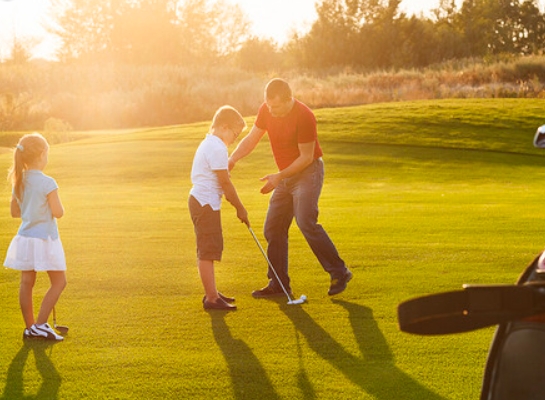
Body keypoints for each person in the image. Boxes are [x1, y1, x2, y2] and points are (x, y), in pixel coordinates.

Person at [229, 78, 352, 298]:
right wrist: (232, 159)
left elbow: (306, 158)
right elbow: (251, 138)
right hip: (285, 176)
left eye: (275, 106)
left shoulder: (304, 116)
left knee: (305, 220)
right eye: (268, 105)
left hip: (308, 172)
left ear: (288, 100)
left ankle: (339, 271)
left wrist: (279, 177)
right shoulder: (266, 111)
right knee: (273, 228)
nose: (271, 110)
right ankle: (278, 284)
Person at [4, 133, 67, 341]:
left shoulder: (19, 181)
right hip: (45, 239)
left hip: (26, 238)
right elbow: (58, 212)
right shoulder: (48, 182)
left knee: (26, 282)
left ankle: (30, 327)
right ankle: (40, 325)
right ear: (41, 155)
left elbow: (15, 212)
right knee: (59, 282)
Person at [189, 105, 250, 311]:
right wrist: (240, 208)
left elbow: (221, 179)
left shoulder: (210, 144)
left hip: (204, 201)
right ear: (224, 127)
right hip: (205, 203)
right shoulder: (217, 147)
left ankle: (212, 292)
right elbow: (225, 183)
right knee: (207, 251)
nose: (234, 138)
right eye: (235, 133)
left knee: (210, 248)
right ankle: (212, 299)